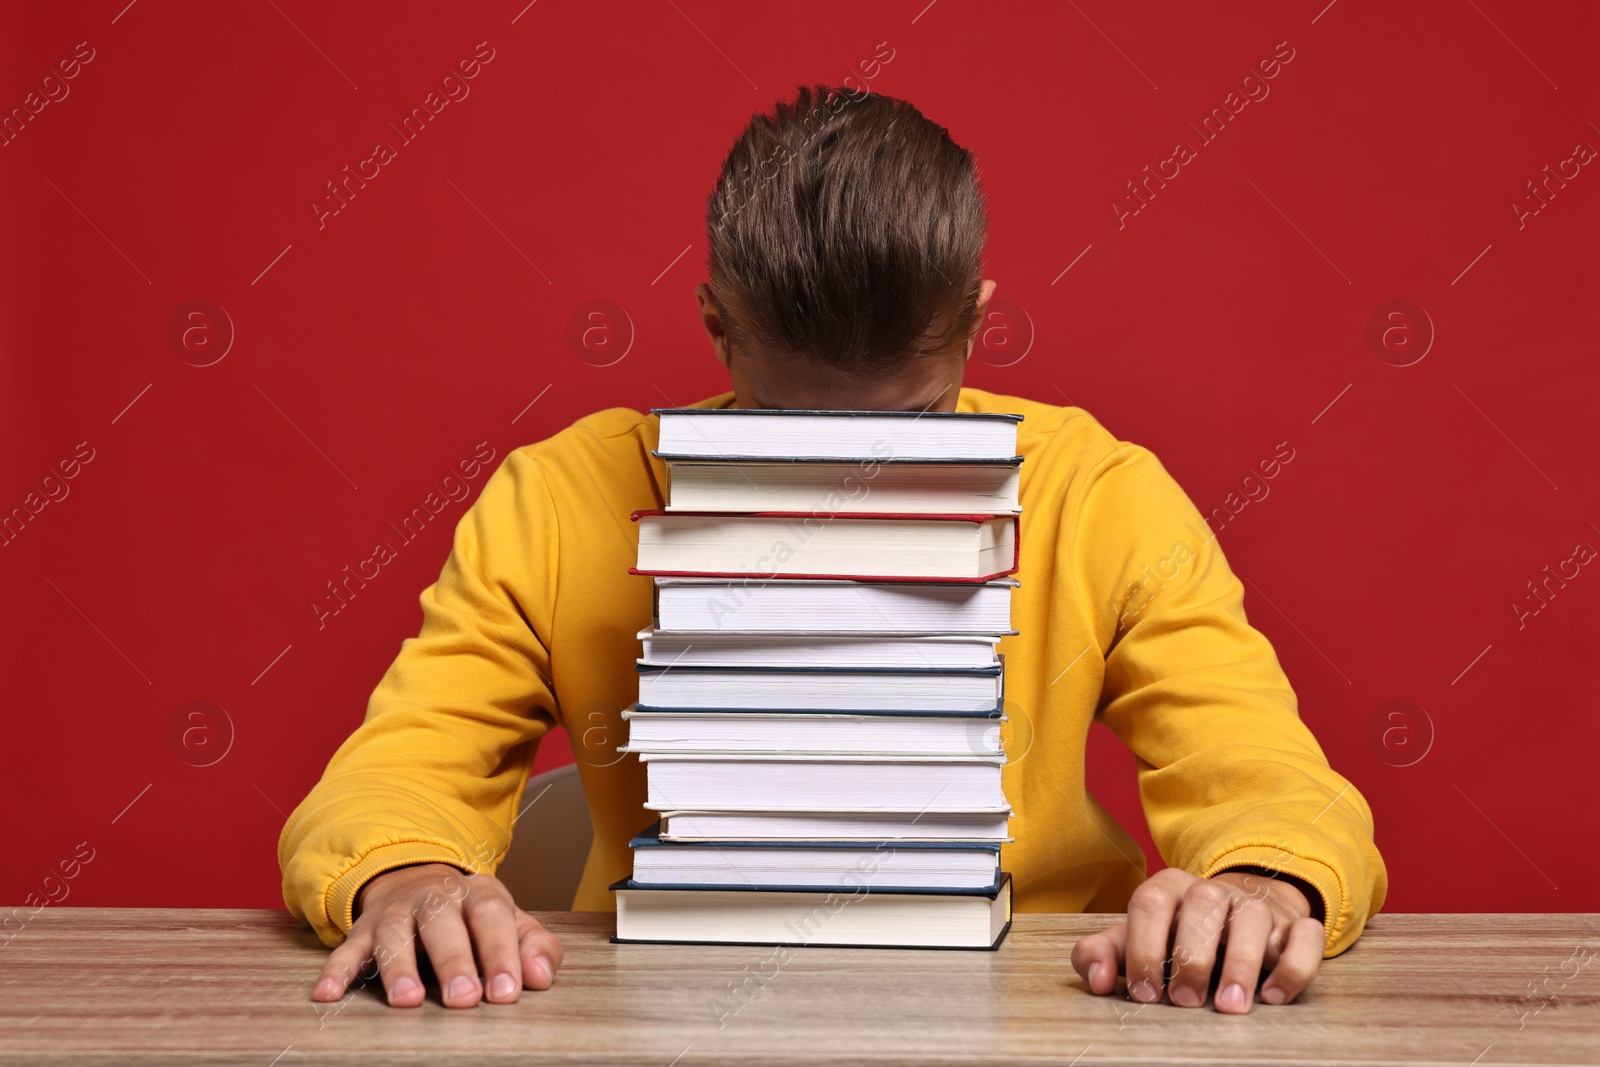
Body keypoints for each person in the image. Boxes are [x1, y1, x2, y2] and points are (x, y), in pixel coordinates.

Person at [279, 83, 1386, 1016]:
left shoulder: (1098, 494)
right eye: (786, 428)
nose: (846, 479)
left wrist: (1259, 878)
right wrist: (408, 874)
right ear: (717, 326)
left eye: (906, 430)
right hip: (670, 1004)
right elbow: (399, 765)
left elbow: (1266, 770)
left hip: (1046, 1004)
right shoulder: (561, 499)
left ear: (976, 326)